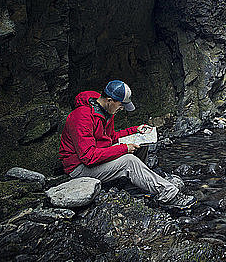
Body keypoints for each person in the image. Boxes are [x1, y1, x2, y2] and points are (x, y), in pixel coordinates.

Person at [58, 80, 196, 209]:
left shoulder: (106, 111)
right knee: (128, 161)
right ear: (110, 100)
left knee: (141, 143)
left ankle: (134, 184)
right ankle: (170, 195)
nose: (122, 109)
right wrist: (124, 149)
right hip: (79, 168)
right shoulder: (81, 117)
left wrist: (135, 131)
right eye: (121, 105)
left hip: (95, 157)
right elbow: (88, 157)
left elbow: (111, 138)